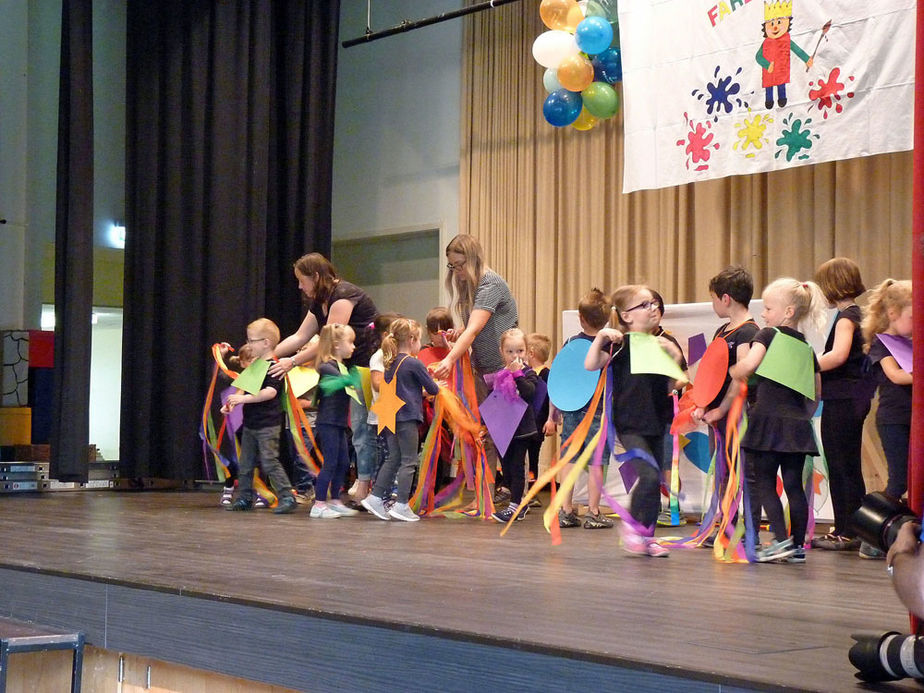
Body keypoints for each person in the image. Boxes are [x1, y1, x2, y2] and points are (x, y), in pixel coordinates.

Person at [269, 253, 380, 506]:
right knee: (355, 430)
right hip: (347, 369)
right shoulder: (319, 301)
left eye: (302, 280)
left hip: (363, 368)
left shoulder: (343, 296)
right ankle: (353, 488)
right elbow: (299, 337)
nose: (299, 286)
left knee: (363, 429)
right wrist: (269, 356)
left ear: (316, 277)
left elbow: (325, 342)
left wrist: (293, 362)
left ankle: (365, 486)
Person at [728, 278, 825, 563]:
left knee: (765, 483)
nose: (764, 314)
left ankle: (780, 541)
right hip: (796, 426)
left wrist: (736, 369)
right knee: (794, 485)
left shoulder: (768, 336)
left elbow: (750, 364)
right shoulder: (806, 348)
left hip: (768, 421)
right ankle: (796, 548)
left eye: (768, 308)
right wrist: (802, 416)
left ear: (788, 312)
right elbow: (816, 392)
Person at [585, 285, 685, 556]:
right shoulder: (619, 344)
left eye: (654, 303)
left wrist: (673, 357)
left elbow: (677, 381)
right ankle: (632, 526)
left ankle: (647, 536)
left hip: (658, 420)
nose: (653, 308)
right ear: (626, 316)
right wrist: (601, 336)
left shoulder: (665, 343)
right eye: (644, 305)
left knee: (655, 483)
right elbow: (591, 364)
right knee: (649, 475)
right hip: (630, 423)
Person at [431, 235, 519, 501]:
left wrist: (449, 359)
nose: (456, 272)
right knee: (487, 435)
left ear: (473, 259)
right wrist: (459, 332)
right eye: (452, 266)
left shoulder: (490, 284)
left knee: (509, 438)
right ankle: (487, 496)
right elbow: (471, 331)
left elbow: (475, 330)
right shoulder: (472, 288)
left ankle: (516, 496)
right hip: (484, 370)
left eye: (460, 265)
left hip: (504, 371)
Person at [694, 267, 760, 545]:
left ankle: (733, 527)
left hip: (736, 415)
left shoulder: (748, 332)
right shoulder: (723, 330)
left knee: (735, 469)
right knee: (721, 470)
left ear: (725, 299)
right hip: (718, 415)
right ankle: (724, 523)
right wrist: (703, 404)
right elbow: (712, 374)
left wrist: (721, 409)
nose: (712, 304)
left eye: (712, 298)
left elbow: (741, 376)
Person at [812, 258, 873, 552]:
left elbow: (837, 356)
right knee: (847, 464)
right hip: (852, 398)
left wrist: (806, 365)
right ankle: (852, 527)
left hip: (843, 398)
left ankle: (846, 530)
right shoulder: (856, 314)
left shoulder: (847, 317)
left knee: (839, 463)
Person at [545, 288, 614, 530]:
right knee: (596, 462)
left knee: (570, 460)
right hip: (597, 412)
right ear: (606, 320)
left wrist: (552, 413)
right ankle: (593, 512)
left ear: (581, 318)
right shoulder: (608, 346)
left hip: (571, 410)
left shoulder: (570, 344)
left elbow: (557, 378)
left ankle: (566, 510)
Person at [362, 319, 440, 522]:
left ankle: (376, 496)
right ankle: (402, 504)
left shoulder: (391, 362)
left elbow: (403, 389)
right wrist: (435, 383)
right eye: (419, 340)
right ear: (412, 339)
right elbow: (433, 389)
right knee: (409, 461)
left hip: (389, 414)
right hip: (406, 417)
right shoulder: (413, 363)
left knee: (393, 458)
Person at [222, 319, 297, 514]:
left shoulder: (275, 366)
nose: (249, 345)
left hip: (268, 424)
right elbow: (243, 388)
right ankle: (245, 497)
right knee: (245, 464)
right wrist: (231, 403)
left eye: (252, 340)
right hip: (251, 424)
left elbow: (270, 392)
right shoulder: (254, 366)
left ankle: (287, 495)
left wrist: (243, 400)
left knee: (269, 460)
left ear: (266, 343)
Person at [862, 279, 912, 560]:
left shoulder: (912, 343)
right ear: (892, 313)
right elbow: (896, 375)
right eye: (912, 316)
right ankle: (870, 536)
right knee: (898, 480)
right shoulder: (883, 344)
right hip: (894, 420)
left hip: (912, 420)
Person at [490, 328, 541, 523]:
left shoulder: (528, 373)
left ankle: (516, 506)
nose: (515, 356)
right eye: (510, 351)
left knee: (518, 467)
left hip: (522, 430)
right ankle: (520, 502)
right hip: (505, 430)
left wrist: (518, 375)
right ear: (502, 352)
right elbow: (495, 400)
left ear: (528, 352)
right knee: (507, 470)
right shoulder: (501, 374)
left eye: (519, 351)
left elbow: (529, 393)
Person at [311, 323, 361, 519]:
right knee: (330, 462)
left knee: (343, 461)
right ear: (336, 345)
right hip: (328, 422)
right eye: (350, 342)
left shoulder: (341, 367)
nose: (353, 347)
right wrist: (350, 380)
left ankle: (334, 500)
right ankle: (319, 504)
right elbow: (333, 383)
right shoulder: (327, 366)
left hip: (338, 422)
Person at [360, 312, 402, 505]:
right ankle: (380, 496)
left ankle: (388, 495)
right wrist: (400, 381)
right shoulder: (379, 356)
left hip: (395, 415)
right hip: (382, 417)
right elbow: (377, 383)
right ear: (386, 335)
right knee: (387, 458)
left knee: (394, 457)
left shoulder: (397, 356)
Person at [525, 332, 552, 489]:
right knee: (524, 456)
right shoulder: (526, 373)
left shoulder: (546, 374)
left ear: (531, 353)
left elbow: (552, 400)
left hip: (537, 424)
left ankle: (531, 488)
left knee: (533, 456)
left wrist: (551, 420)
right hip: (526, 423)